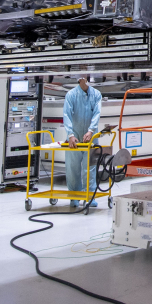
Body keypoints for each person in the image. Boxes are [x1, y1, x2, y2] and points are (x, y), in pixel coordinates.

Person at [63, 77, 101, 208]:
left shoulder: (96, 94)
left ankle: (90, 196)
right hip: (74, 137)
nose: (87, 79)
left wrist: (91, 131)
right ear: (79, 79)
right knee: (73, 167)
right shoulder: (71, 95)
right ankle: (74, 196)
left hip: (91, 137)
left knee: (90, 167)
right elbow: (66, 115)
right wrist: (70, 135)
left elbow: (97, 113)